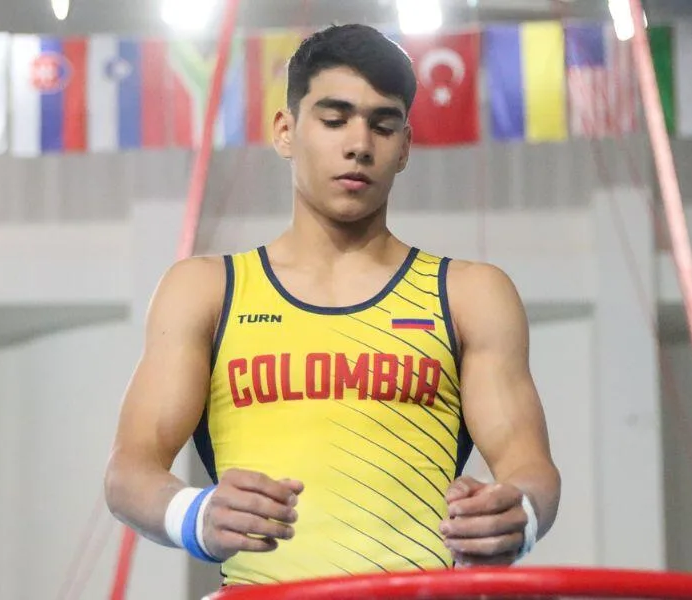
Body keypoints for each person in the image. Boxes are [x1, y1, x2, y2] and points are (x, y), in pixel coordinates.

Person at [104, 23, 561, 586]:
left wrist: (520, 514)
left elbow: (529, 466)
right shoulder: (206, 291)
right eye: (335, 118)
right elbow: (129, 471)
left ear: (405, 148)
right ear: (286, 130)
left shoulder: (469, 294)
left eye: (382, 125)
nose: (359, 144)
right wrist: (194, 515)